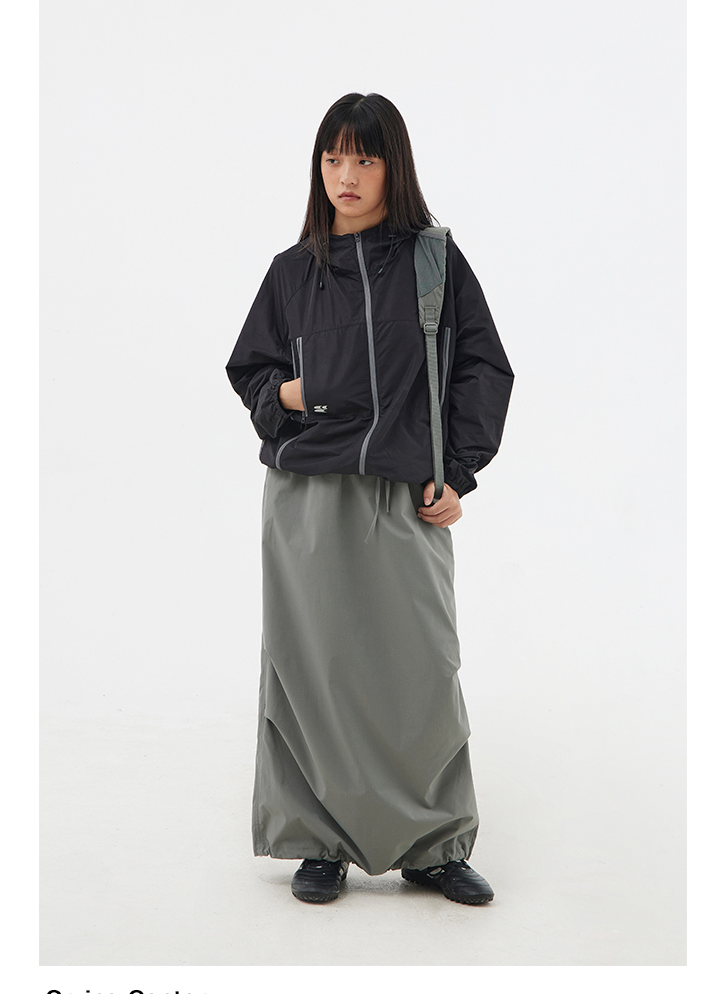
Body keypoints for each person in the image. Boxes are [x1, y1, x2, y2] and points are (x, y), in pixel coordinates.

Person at [225, 93, 514, 905]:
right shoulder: (291, 272)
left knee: (421, 669)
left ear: (395, 168)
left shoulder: (433, 261)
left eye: (364, 159)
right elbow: (249, 370)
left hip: (403, 496)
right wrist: (286, 394)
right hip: (307, 498)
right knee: (309, 671)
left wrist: (458, 469)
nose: (345, 175)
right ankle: (319, 842)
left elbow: (483, 367)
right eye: (332, 159)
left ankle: (433, 845)